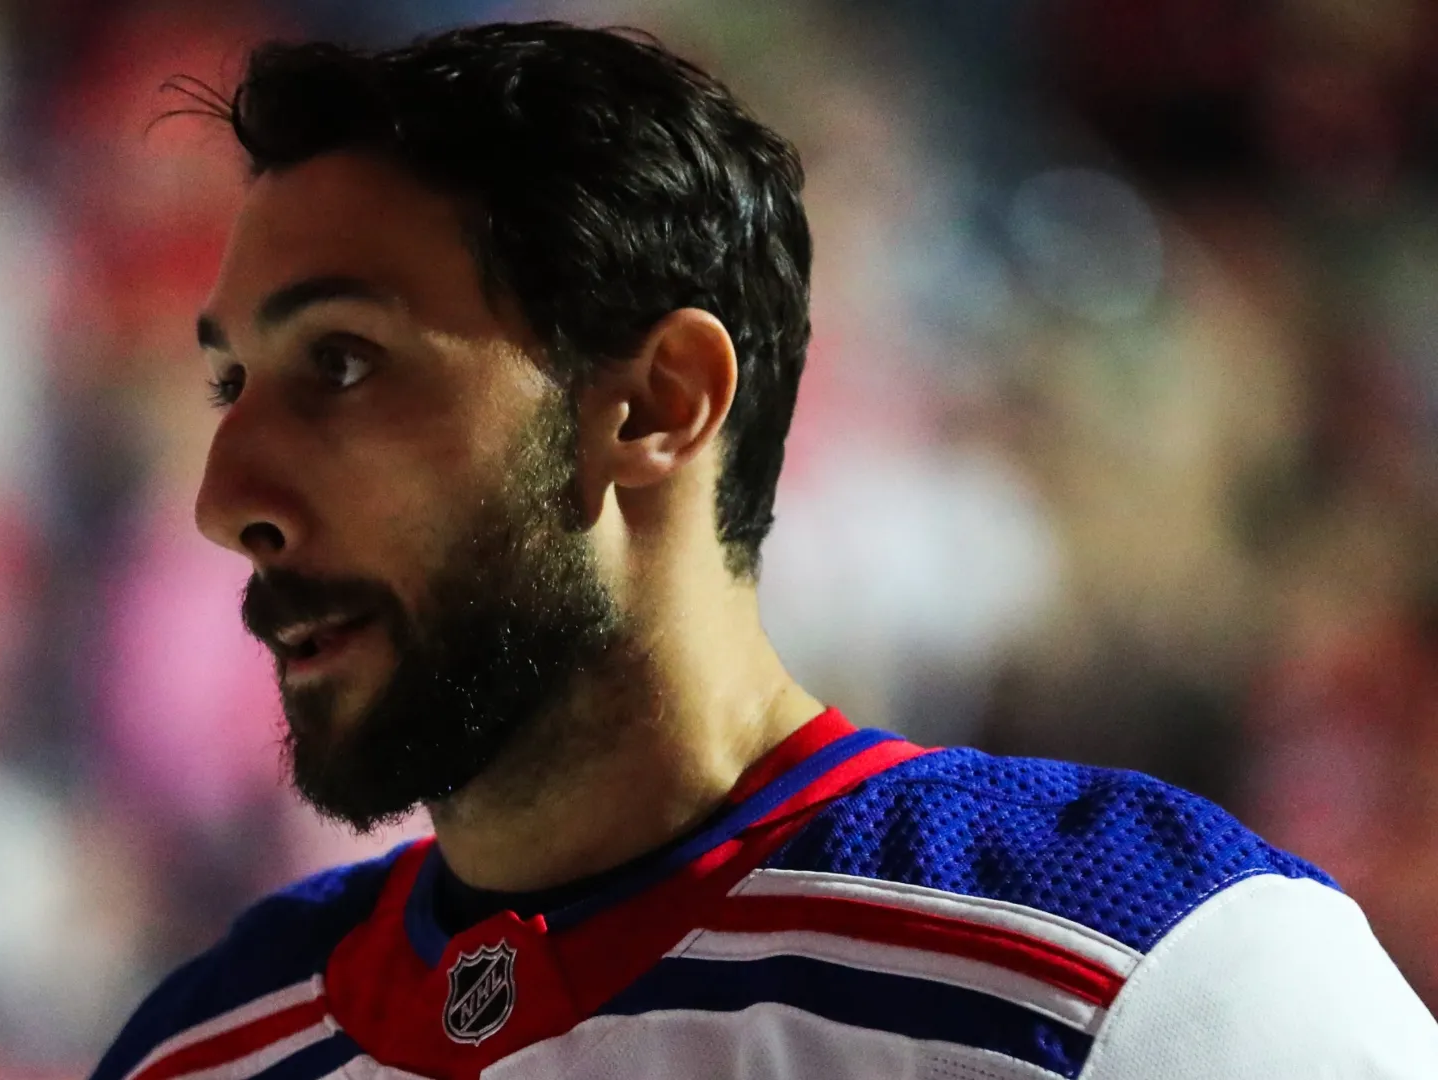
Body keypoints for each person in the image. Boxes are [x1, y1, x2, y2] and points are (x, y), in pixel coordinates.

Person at [89, 21, 1438, 1080]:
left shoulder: (1151, 975)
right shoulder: (199, 1051)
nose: (228, 497)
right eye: (234, 389)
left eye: (344, 365)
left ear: (659, 405)